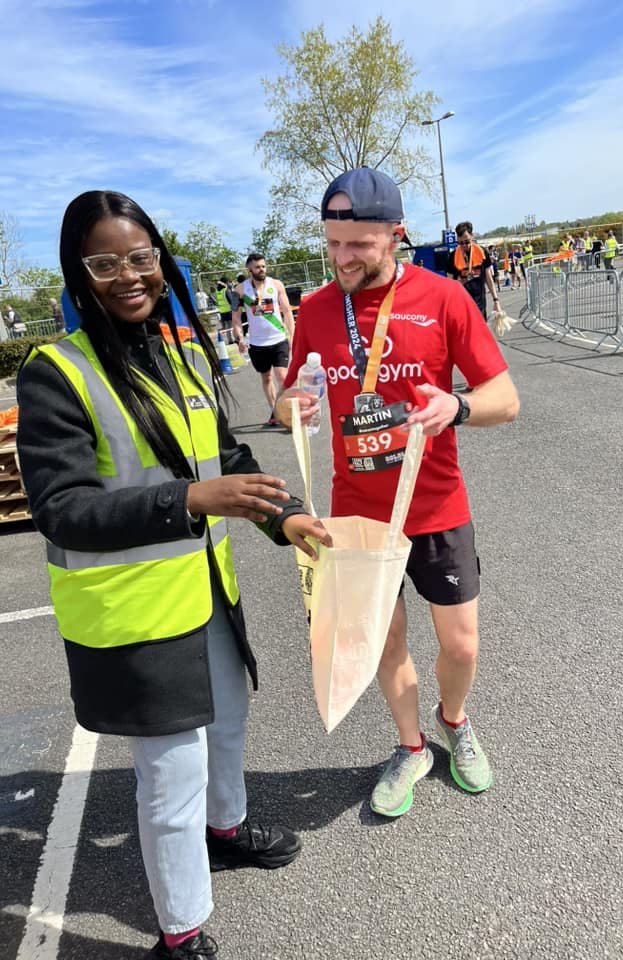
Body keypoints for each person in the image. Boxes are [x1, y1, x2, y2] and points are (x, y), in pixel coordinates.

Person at [16, 190, 331, 960]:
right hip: (134, 615)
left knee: (229, 723)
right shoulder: (56, 372)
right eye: (104, 262)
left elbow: (228, 460)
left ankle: (225, 830)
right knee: (168, 779)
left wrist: (283, 516)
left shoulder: (184, 351)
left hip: (207, 594)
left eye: (140, 257)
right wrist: (189, 499)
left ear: (160, 259)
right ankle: (181, 929)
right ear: (79, 272)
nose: (127, 275)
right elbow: (62, 509)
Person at [275, 168, 520, 818]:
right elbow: (293, 392)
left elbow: (506, 398)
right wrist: (292, 404)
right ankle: (410, 746)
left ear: (396, 234)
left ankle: (455, 722)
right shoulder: (318, 310)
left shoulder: (443, 298)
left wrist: (458, 406)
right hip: (358, 513)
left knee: (461, 643)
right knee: (384, 644)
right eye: (333, 243)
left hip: (437, 504)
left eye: (358, 244)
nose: (342, 258)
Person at [239, 253, 295, 427]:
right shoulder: (240, 290)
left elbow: (287, 311)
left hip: (278, 339)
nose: (261, 269)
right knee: (267, 378)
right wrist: (240, 338)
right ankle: (274, 410)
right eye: (257, 267)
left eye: (263, 266)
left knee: (282, 376)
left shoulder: (276, 285)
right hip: (257, 343)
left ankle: (288, 413)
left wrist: (292, 336)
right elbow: (235, 319)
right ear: (249, 270)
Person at [449, 220, 501, 320]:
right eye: (460, 243)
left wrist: (496, 300)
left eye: (467, 241)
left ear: (472, 236)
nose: (464, 245)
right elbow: (450, 283)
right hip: (462, 304)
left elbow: (488, 278)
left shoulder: (482, 252)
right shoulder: (452, 257)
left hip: (479, 303)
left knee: (481, 334)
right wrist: (459, 282)